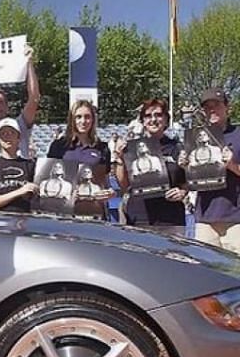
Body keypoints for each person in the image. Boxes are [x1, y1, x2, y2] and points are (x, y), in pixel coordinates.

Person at [180, 88, 240, 251]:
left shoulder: (238, 134)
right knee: (207, 272)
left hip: (235, 220)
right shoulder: (195, 138)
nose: (212, 109)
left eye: (217, 105)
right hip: (205, 218)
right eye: (207, 107)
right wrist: (186, 166)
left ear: (228, 107)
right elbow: (191, 181)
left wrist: (232, 165)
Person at [115, 100, 187, 232]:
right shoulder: (130, 148)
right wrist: (120, 159)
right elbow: (124, 185)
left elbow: (187, 183)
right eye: (148, 116)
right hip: (139, 217)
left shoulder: (178, 147)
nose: (153, 119)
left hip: (171, 219)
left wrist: (182, 192)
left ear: (166, 120)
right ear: (142, 121)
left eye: (158, 115)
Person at [47, 100, 113, 216]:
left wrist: (109, 192)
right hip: (65, 211)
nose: (83, 121)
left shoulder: (102, 148)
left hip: (93, 211)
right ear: (72, 119)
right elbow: (48, 178)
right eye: (78, 117)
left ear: (93, 120)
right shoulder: (58, 146)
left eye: (87, 117)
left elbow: (104, 182)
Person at [0, 117, 37, 213]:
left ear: (19, 138)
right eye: (3, 133)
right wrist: (20, 192)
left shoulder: (30, 165)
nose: (7, 137)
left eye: (12, 133)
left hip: (24, 220)